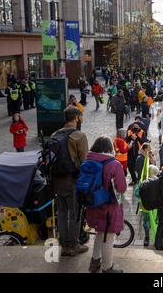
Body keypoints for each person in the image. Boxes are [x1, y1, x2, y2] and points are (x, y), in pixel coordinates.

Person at [51, 107, 89, 256]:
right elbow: (84, 162)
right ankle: (73, 245)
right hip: (72, 180)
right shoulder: (79, 136)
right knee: (74, 213)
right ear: (76, 118)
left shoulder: (56, 134)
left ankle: (63, 244)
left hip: (56, 180)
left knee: (61, 212)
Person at [86, 136, 127, 273]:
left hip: (92, 204)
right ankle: (107, 267)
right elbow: (121, 188)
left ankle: (95, 262)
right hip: (108, 207)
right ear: (109, 148)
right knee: (108, 238)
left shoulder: (88, 160)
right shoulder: (114, 164)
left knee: (99, 232)